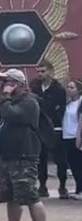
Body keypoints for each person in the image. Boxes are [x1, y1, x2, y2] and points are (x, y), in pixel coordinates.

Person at [0, 69, 51, 221]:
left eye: (7, 81)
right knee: (11, 196)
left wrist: (4, 98)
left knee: (30, 195)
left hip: (24, 155)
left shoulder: (29, 102)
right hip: (7, 155)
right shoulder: (6, 100)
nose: (3, 85)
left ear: (19, 84)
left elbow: (13, 115)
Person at [32, 61, 68, 198]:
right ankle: (42, 185)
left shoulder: (58, 89)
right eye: (38, 71)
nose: (40, 74)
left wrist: (55, 117)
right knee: (41, 159)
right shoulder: (35, 87)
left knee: (60, 159)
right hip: (40, 127)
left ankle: (63, 185)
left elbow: (62, 107)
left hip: (55, 127)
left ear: (51, 72)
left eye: (43, 71)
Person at [62, 79, 81, 199]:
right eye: (68, 87)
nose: (69, 89)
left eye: (72, 87)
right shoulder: (67, 103)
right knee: (73, 164)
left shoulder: (80, 102)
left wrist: (79, 137)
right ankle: (79, 188)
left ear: (78, 90)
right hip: (67, 136)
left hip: (76, 136)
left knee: (79, 164)